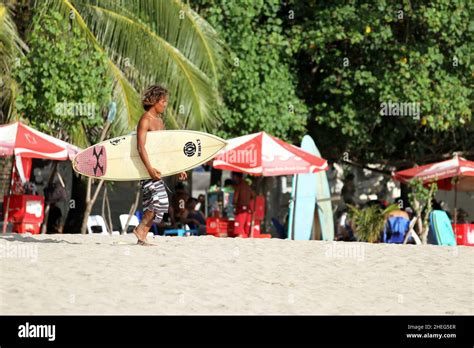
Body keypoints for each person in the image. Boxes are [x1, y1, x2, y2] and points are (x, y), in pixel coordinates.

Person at [133, 85, 187, 246]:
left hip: (158, 169)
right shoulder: (145, 120)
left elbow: (165, 149)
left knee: (157, 204)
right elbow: (140, 147)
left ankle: (142, 235)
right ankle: (141, 229)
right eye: (163, 101)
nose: (165, 104)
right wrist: (149, 169)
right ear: (155, 101)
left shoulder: (160, 122)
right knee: (159, 202)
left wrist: (178, 168)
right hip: (147, 169)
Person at [232, 172, 255, 237]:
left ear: (236, 177)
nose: (233, 178)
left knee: (239, 226)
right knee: (246, 226)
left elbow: (235, 198)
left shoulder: (239, 186)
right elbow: (253, 195)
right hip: (248, 209)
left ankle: (241, 236)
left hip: (241, 208)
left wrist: (234, 204)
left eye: (234, 177)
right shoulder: (247, 185)